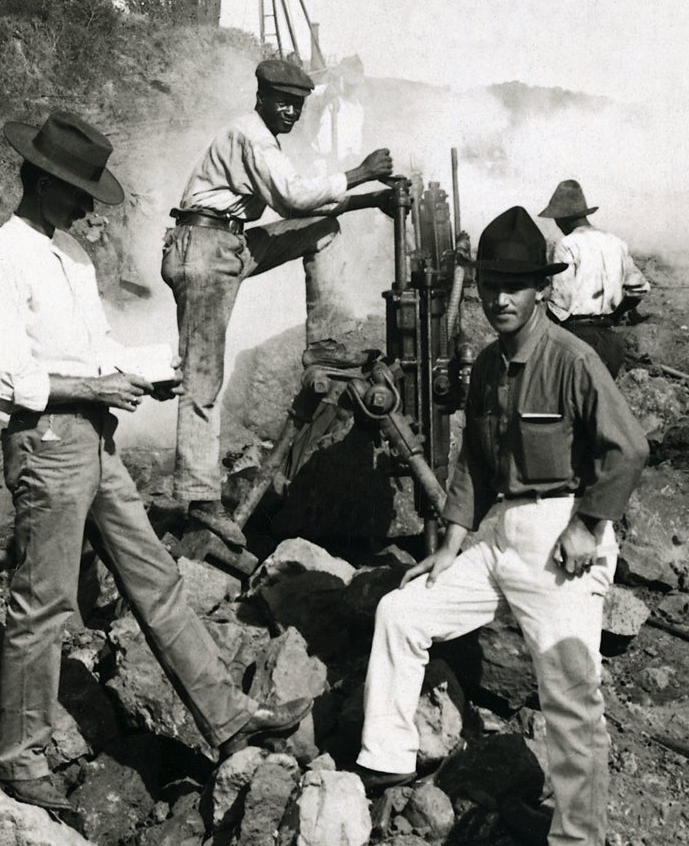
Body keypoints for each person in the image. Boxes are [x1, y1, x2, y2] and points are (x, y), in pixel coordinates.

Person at [0, 110, 310, 812]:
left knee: (155, 579)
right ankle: (16, 754)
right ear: (37, 181)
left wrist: (158, 367)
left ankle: (227, 716)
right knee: (43, 602)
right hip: (49, 442)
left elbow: (97, 353)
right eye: (73, 191)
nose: (84, 206)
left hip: (94, 439)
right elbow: (8, 379)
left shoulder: (70, 256)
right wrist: (97, 387)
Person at [357, 206, 647, 846]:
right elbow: (473, 465)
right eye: (489, 285)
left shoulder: (573, 360)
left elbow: (627, 449)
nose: (498, 298)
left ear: (542, 287)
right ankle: (386, 763)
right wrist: (453, 540)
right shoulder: (488, 364)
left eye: (512, 286)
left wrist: (588, 525)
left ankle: (579, 835)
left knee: (570, 695)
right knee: (401, 613)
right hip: (496, 534)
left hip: (560, 535)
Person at [163, 58, 397, 548]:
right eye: (284, 102)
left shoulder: (263, 140)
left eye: (298, 105)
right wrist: (362, 174)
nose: (291, 112)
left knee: (322, 229)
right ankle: (201, 499)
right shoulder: (251, 137)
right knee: (202, 378)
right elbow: (292, 197)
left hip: (230, 244)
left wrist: (369, 199)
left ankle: (323, 345)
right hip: (204, 251)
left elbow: (307, 205)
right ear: (262, 98)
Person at [540, 179, 649, 378]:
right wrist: (616, 314)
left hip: (577, 339)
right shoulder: (616, 243)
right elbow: (639, 289)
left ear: (562, 218)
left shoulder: (566, 245)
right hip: (610, 340)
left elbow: (559, 304)